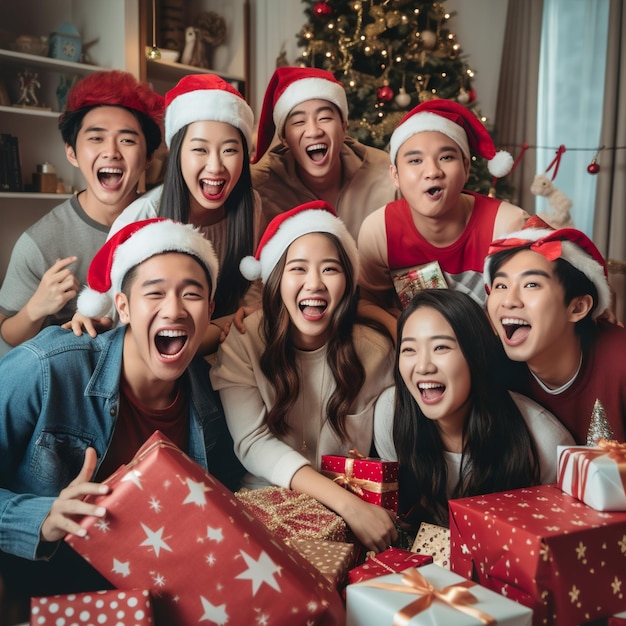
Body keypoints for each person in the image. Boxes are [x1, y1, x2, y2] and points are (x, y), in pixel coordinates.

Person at [0, 218, 244, 605]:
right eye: (155, 293)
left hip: (157, 586)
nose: (174, 310)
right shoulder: (48, 367)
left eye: (192, 295)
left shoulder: (210, 396)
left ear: (210, 309)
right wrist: (40, 517)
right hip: (48, 578)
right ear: (123, 307)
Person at [210, 201, 397, 552]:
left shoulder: (375, 351)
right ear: (277, 279)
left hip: (354, 515)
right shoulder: (244, 341)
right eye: (298, 268)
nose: (314, 284)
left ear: (347, 281)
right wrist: (349, 507)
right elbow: (253, 443)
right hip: (266, 507)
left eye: (330, 269)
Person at [73, 74, 263, 355]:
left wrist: (238, 320)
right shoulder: (142, 217)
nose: (215, 166)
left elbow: (252, 301)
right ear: (177, 153)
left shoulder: (251, 205)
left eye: (230, 150)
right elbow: (118, 317)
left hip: (233, 353)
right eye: (199, 149)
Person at [373, 289, 574, 528]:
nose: (423, 366)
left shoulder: (546, 442)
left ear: (476, 355)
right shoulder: (391, 412)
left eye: (441, 348)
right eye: (409, 350)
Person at [0, 70, 164, 357]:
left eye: (127, 140)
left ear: (149, 157)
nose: (111, 151)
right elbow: (7, 336)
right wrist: (36, 308)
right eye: (96, 138)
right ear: (72, 153)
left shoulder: (168, 223)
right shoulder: (39, 242)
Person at [357, 98, 529, 339]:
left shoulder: (507, 224)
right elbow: (366, 302)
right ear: (395, 175)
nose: (432, 172)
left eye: (446, 157)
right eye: (415, 160)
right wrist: (399, 331)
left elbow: (543, 297)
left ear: (466, 168)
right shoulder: (380, 230)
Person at [484, 221, 626, 444]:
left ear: (577, 307)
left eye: (531, 285)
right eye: (500, 286)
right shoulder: (492, 369)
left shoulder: (619, 360)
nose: (509, 301)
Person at [251, 66, 398, 240]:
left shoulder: (388, 175)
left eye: (325, 118)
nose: (313, 131)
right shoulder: (260, 189)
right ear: (284, 138)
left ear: (344, 128)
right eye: (299, 122)